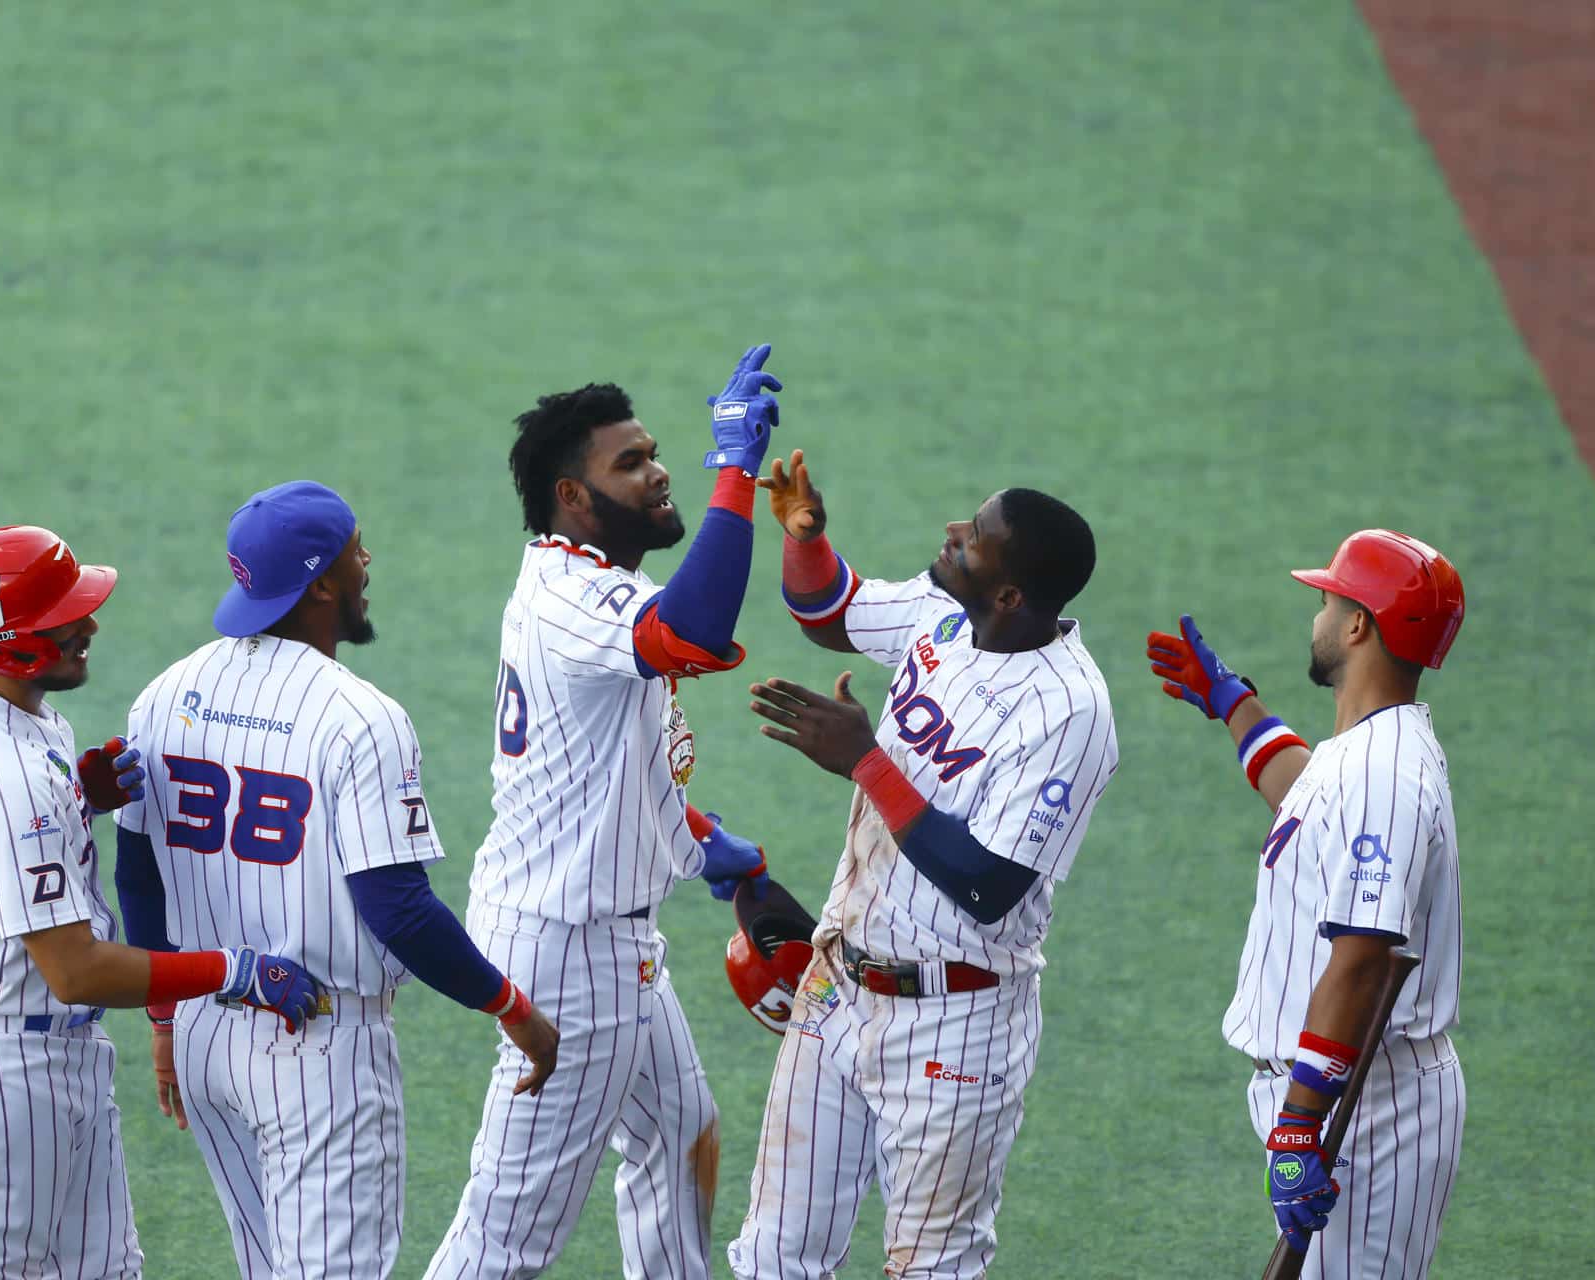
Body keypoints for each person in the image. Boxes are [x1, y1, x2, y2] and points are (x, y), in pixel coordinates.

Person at [111, 481, 560, 1279]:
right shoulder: (360, 717)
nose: (368, 562)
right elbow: (399, 910)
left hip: (206, 1034)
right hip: (317, 1047)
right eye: (356, 550)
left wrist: (163, 1019)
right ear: (321, 582)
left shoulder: (165, 693)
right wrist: (512, 1007)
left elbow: (137, 871)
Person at [424, 349, 783, 1279]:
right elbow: (695, 634)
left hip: (588, 932)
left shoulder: (579, 585)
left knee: (679, 1134)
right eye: (630, 464)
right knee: (506, 1236)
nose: (660, 472)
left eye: (654, 452)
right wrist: (735, 472)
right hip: (573, 955)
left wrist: (709, 847)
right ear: (571, 497)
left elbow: (594, 771)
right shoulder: (572, 598)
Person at [727, 450, 1118, 1280]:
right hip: (836, 988)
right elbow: (827, 611)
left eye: (975, 538)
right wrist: (805, 537)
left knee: (929, 1268)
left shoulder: (1069, 713)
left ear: (1011, 595)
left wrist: (868, 762)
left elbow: (989, 884)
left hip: (955, 1025)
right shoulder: (946, 612)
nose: (952, 535)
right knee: (770, 1256)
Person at [0, 525, 318, 1280]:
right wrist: (231, 971)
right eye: (65, 617)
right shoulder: (5, 775)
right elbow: (77, 971)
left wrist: (74, 799)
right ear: (16, 644)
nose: (89, 623)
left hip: (42, 1052)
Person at [1145, 529, 1466, 1277]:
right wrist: (1234, 704)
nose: (1317, 615)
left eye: (1327, 599)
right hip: (1344, 1087)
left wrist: (1299, 1126)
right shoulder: (1365, 752)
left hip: (1365, 1100)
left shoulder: (1383, 773)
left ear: (1359, 625)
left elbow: (1361, 961)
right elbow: (1305, 798)